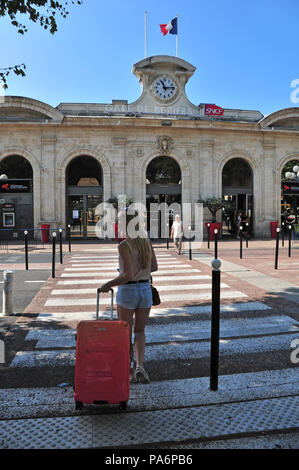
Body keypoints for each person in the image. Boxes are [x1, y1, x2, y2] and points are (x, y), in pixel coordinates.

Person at [99, 209, 158, 384]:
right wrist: (142, 269)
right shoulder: (145, 242)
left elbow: (127, 276)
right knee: (140, 331)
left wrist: (107, 284)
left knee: (125, 332)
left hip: (128, 292)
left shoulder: (124, 245)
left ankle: (130, 370)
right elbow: (154, 267)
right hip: (145, 289)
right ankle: (140, 366)